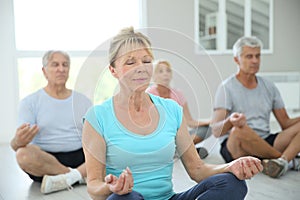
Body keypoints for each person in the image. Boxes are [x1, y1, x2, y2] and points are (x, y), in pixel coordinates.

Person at [82, 27, 263, 200]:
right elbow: (93, 186)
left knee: (231, 183)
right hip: (128, 198)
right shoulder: (97, 117)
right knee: (126, 197)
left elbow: (197, 169)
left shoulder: (171, 109)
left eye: (146, 61)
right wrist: (110, 187)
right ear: (113, 70)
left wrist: (231, 166)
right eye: (130, 62)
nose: (141, 67)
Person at [212, 36, 300, 178]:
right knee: (239, 130)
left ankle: (281, 161)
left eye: (258, 56)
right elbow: (216, 130)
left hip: (265, 140)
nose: (255, 61)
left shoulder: (269, 86)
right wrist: (230, 121)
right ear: (236, 59)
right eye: (249, 56)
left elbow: (285, 123)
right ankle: (287, 160)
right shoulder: (226, 88)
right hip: (237, 146)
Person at [10, 50, 92, 194]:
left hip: (81, 157)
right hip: (45, 161)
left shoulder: (83, 101)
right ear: (44, 71)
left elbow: (94, 137)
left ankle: (65, 179)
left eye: (65, 65)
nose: (61, 69)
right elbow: (16, 145)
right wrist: (17, 141)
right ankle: (77, 176)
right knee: (22, 154)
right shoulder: (30, 103)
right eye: (55, 65)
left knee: (110, 145)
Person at [146, 60, 212, 159]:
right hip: (159, 136)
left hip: (177, 136)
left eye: (168, 71)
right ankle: (183, 151)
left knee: (207, 130)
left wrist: (209, 121)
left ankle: (177, 150)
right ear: (154, 76)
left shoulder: (178, 94)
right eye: (161, 71)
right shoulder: (149, 94)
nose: (165, 74)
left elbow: (190, 121)